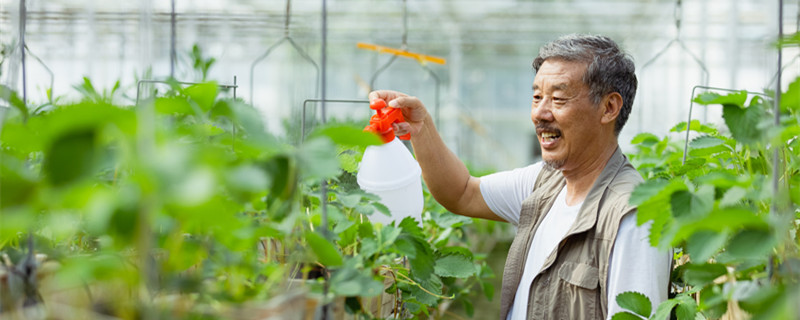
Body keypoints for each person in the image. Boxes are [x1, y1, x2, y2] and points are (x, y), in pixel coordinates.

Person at [369, 34, 670, 319]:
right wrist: (422, 129)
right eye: (537, 96)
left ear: (609, 107)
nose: (540, 112)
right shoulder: (545, 183)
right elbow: (462, 192)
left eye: (558, 99)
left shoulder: (634, 218)